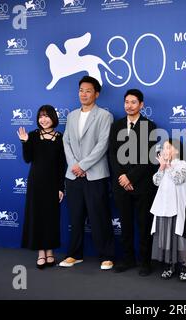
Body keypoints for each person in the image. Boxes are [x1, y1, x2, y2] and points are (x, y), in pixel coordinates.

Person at [59, 76, 115, 270]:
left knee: (99, 216)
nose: (84, 94)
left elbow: (102, 145)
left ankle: (107, 256)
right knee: (75, 217)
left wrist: (83, 165)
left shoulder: (104, 116)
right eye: (81, 90)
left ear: (96, 94)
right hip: (73, 175)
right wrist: (75, 165)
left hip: (95, 175)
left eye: (88, 90)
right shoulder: (72, 115)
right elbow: (65, 141)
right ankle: (75, 254)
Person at [109, 89, 157, 276]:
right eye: (126, 102)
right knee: (126, 224)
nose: (129, 105)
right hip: (121, 185)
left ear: (141, 105)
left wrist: (131, 177)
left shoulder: (150, 126)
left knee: (144, 225)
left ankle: (145, 262)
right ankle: (128, 259)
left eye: (133, 102)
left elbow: (148, 157)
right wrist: (122, 176)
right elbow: (112, 153)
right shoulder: (117, 125)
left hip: (142, 185)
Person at [17, 105, 66, 269]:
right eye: (40, 116)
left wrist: (61, 187)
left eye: (46, 116)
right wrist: (24, 142)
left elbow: (61, 165)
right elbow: (27, 159)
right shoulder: (32, 135)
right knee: (37, 217)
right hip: (36, 183)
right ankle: (41, 253)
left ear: (53, 117)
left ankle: (50, 252)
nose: (43, 119)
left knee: (51, 218)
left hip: (53, 184)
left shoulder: (60, 137)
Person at [150, 139, 186, 281]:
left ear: (177, 151)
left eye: (168, 148)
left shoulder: (182, 165)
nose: (164, 151)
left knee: (179, 237)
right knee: (165, 238)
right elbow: (155, 181)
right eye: (163, 148)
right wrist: (161, 168)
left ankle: (185, 266)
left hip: (176, 209)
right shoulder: (163, 166)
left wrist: (167, 166)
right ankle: (169, 265)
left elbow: (178, 179)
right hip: (163, 208)